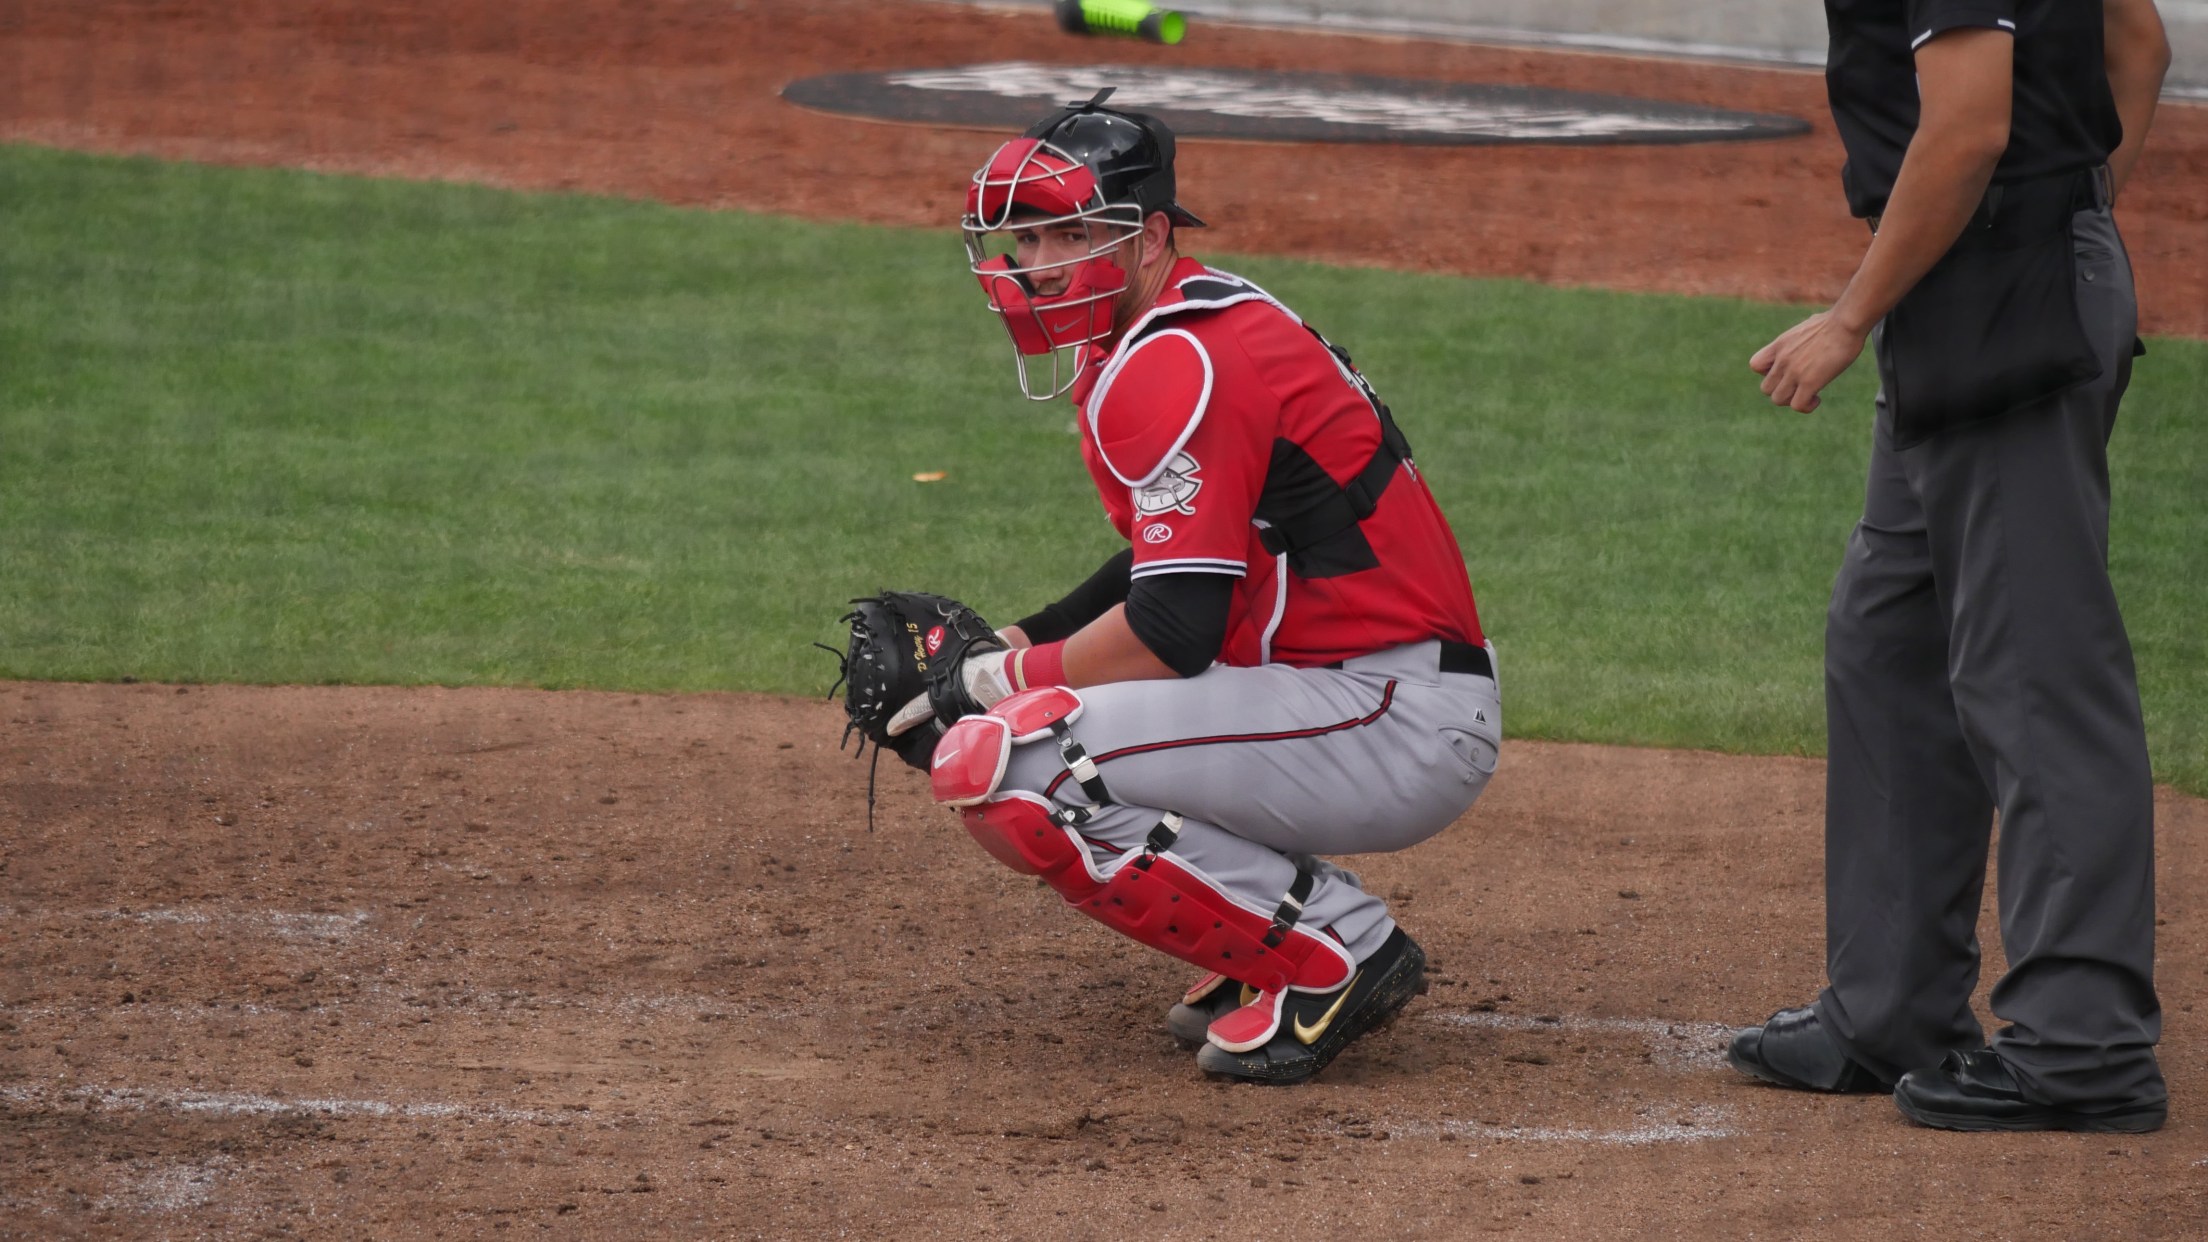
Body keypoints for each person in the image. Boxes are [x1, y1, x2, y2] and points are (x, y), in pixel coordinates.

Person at [900, 89, 1500, 1084]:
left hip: (1387, 712)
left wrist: (987, 683)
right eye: (1026, 238)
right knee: (1025, 724)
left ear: (1149, 237)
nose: (1038, 265)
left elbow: (1176, 627)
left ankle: (1333, 947)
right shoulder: (1188, 323)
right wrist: (1016, 640)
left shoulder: (1180, 358)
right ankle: (1267, 933)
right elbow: (1179, 560)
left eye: (1072, 234)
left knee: (1012, 760)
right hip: (1355, 692)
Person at [1733, 0, 2173, 1131]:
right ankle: (1891, 1010)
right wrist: (2075, 218)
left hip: (2006, 302)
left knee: (2034, 673)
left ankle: (2084, 1043)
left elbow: (1970, 124)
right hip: (1975, 285)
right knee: (1891, 638)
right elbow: (2136, 40)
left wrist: (1854, 315)